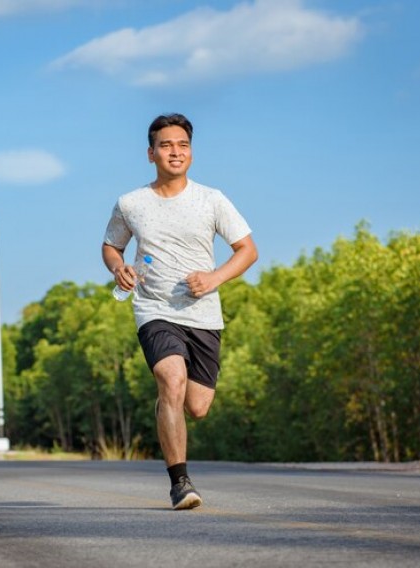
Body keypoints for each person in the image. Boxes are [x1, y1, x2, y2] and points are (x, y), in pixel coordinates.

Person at [102, 113, 258, 510]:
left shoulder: (212, 199)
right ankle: (180, 483)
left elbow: (248, 251)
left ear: (191, 152)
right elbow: (111, 246)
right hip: (154, 308)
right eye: (167, 145)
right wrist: (118, 269)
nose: (176, 152)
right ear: (150, 153)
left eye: (183, 145)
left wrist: (214, 278)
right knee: (171, 377)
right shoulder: (131, 203)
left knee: (198, 407)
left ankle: (166, 404)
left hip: (203, 314)